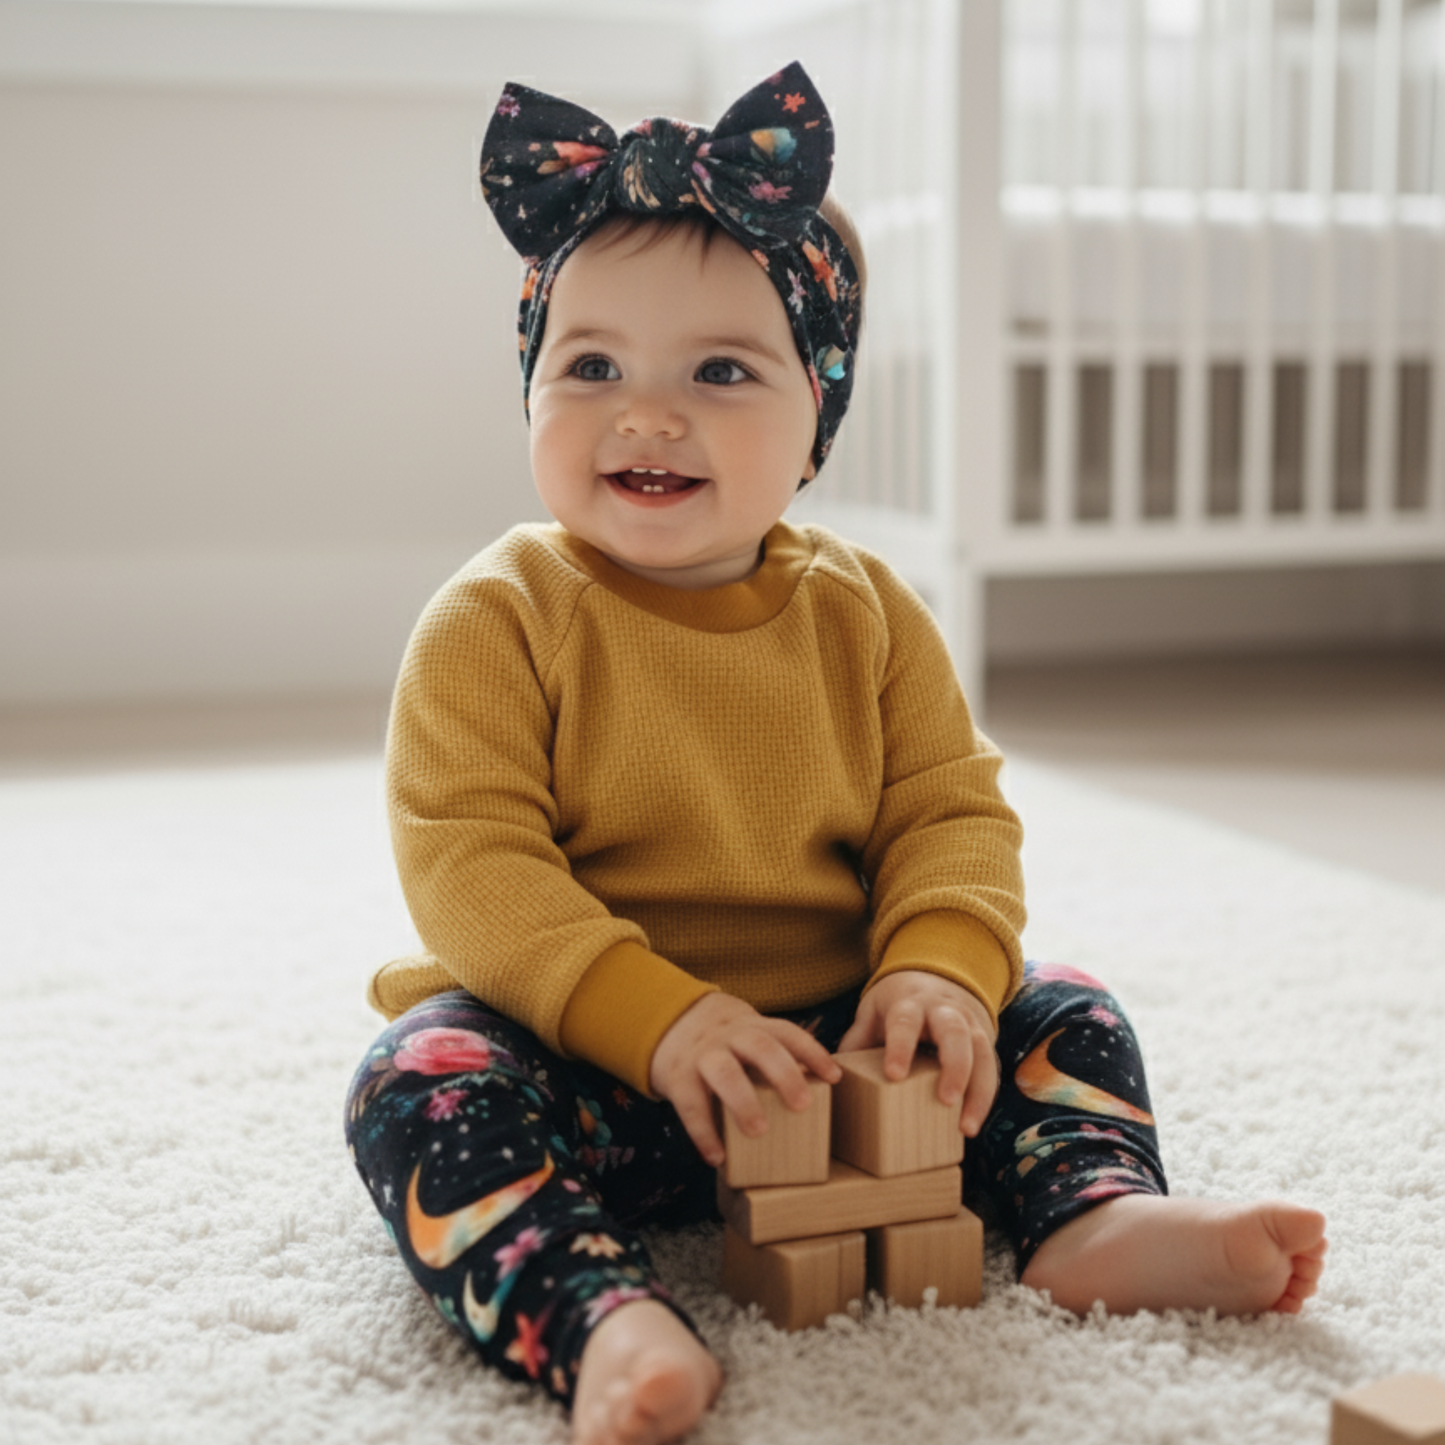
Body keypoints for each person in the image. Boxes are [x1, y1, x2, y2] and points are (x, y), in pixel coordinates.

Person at [344, 62, 1328, 1445]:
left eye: (724, 372)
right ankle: (593, 1312)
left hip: (845, 1049)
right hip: (603, 1065)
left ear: (819, 420)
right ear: (530, 390)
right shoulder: (496, 620)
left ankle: (1091, 1219)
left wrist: (937, 974)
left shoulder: (867, 615)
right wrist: (660, 1021)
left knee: (1066, 1008)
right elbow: (471, 865)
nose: (647, 411)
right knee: (418, 1078)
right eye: (591, 366)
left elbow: (953, 818)